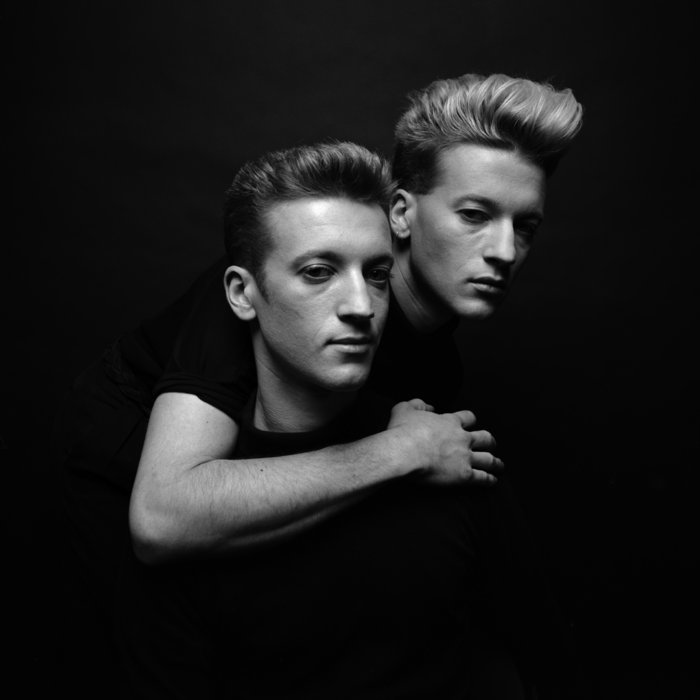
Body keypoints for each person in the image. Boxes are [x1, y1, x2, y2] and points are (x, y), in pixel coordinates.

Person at [54, 72, 582, 695]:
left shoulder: (434, 370)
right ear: (402, 213)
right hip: (125, 481)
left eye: (526, 227)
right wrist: (395, 451)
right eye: (474, 215)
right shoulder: (261, 297)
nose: (504, 251)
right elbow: (163, 518)